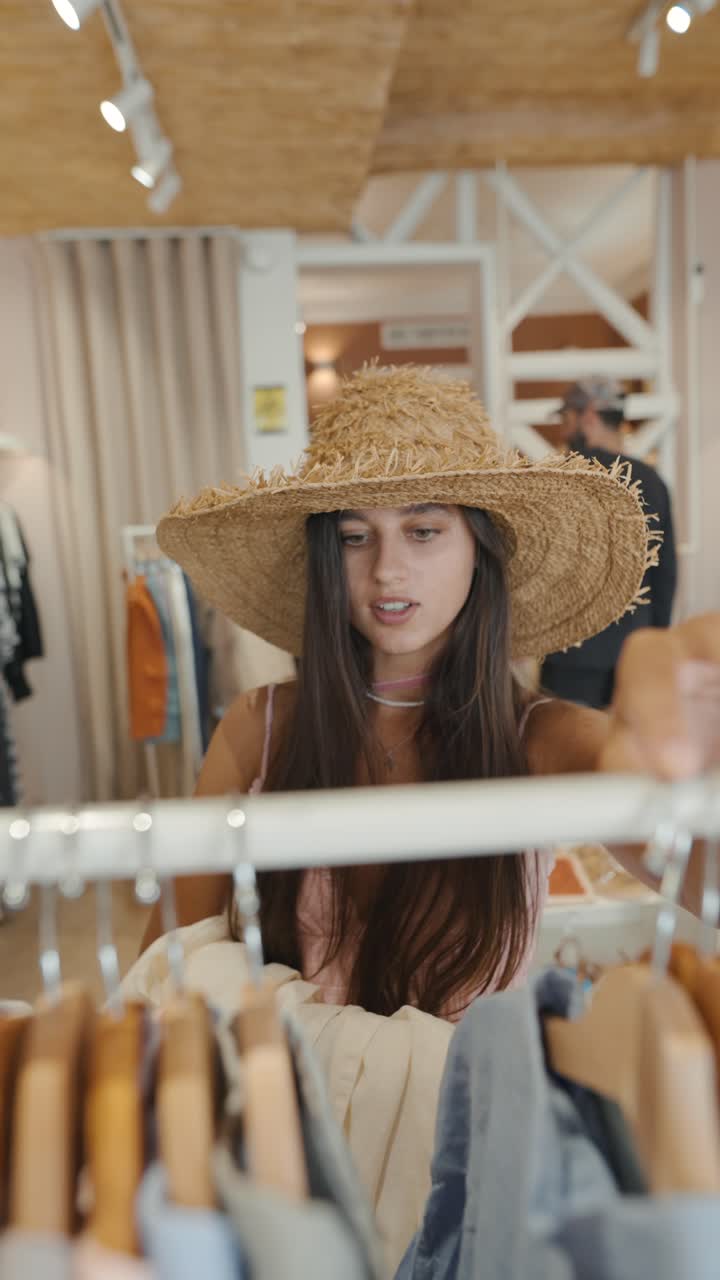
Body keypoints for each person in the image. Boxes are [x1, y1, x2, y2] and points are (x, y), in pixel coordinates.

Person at [141, 365, 719, 1020]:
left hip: (467, 1092)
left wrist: (691, 763)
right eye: (354, 537)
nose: (387, 570)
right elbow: (161, 975)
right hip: (280, 1088)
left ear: (479, 547)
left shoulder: (540, 738)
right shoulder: (259, 728)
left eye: (423, 531)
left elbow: (701, 874)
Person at [541, 378, 677, 709]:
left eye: (566, 418)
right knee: (628, 741)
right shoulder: (652, 481)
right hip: (633, 651)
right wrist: (653, 641)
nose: (563, 429)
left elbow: (543, 565)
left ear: (588, 416)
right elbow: (665, 575)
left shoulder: (561, 476)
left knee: (570, 739)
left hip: (572, 652)